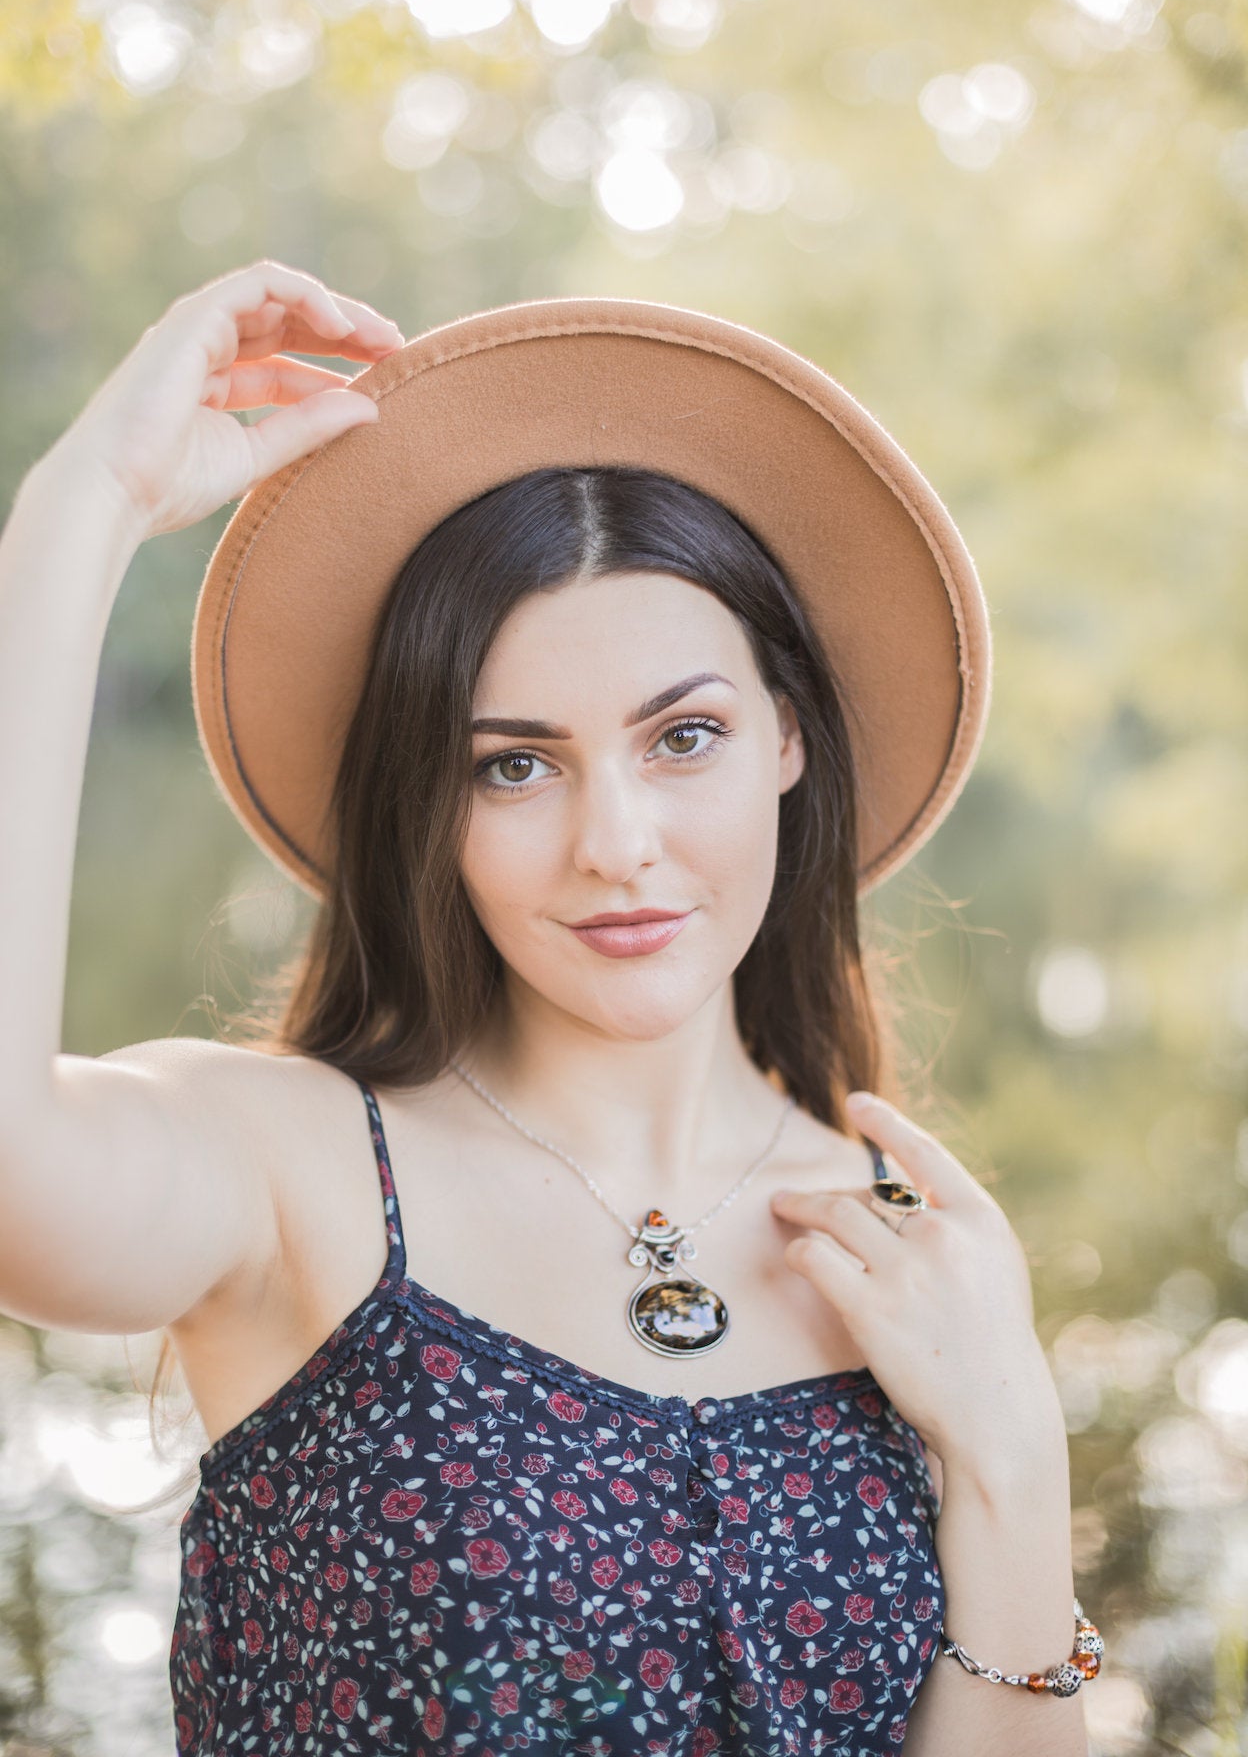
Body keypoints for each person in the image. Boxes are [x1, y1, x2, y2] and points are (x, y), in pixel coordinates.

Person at [0, 260, 1097, 1755]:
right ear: (428, 804)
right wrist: (84, 510)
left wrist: (1014, 1463)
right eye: (514, 763)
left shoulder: (907, 1243)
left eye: (684, 736)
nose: (615, 843)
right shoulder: (291, 1169)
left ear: (788, 734)